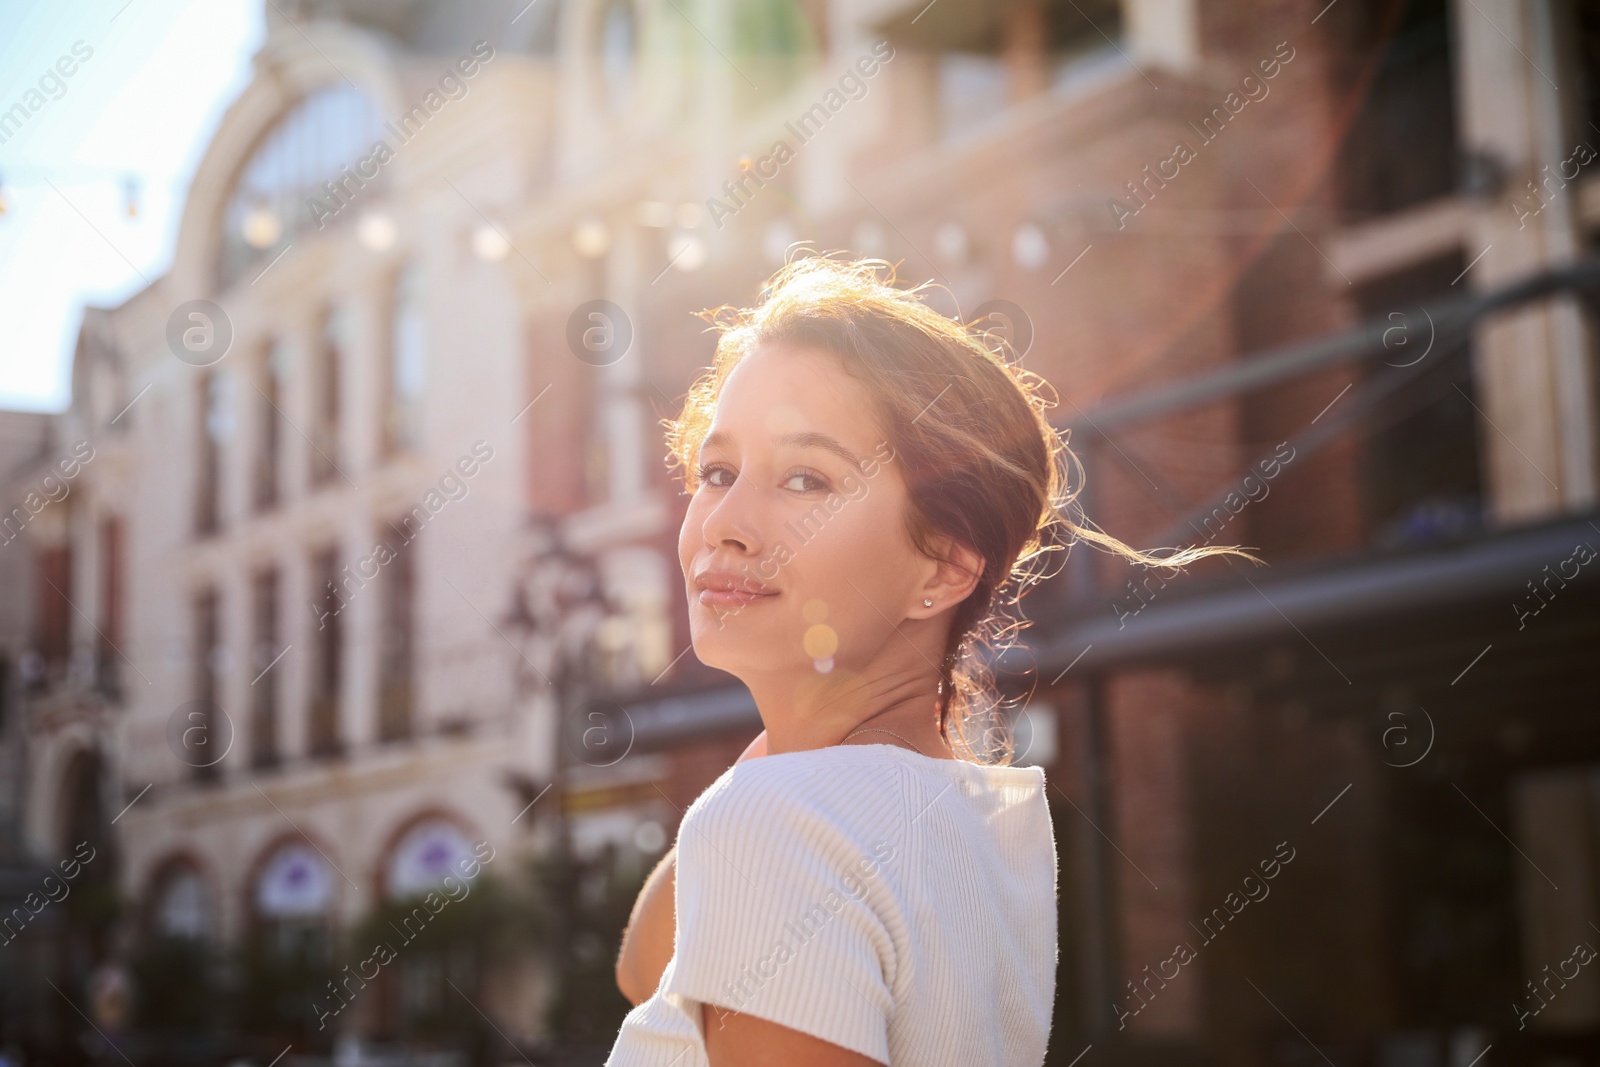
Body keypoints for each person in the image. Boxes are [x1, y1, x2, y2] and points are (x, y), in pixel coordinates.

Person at [605, 256, 1249, 1066]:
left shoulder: (782, 826)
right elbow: (645, 969)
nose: (724, 522)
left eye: (807, 478)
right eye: (717, 470)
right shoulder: (968, 819)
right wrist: (780, 749)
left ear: (943, 567)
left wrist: (769, 792)